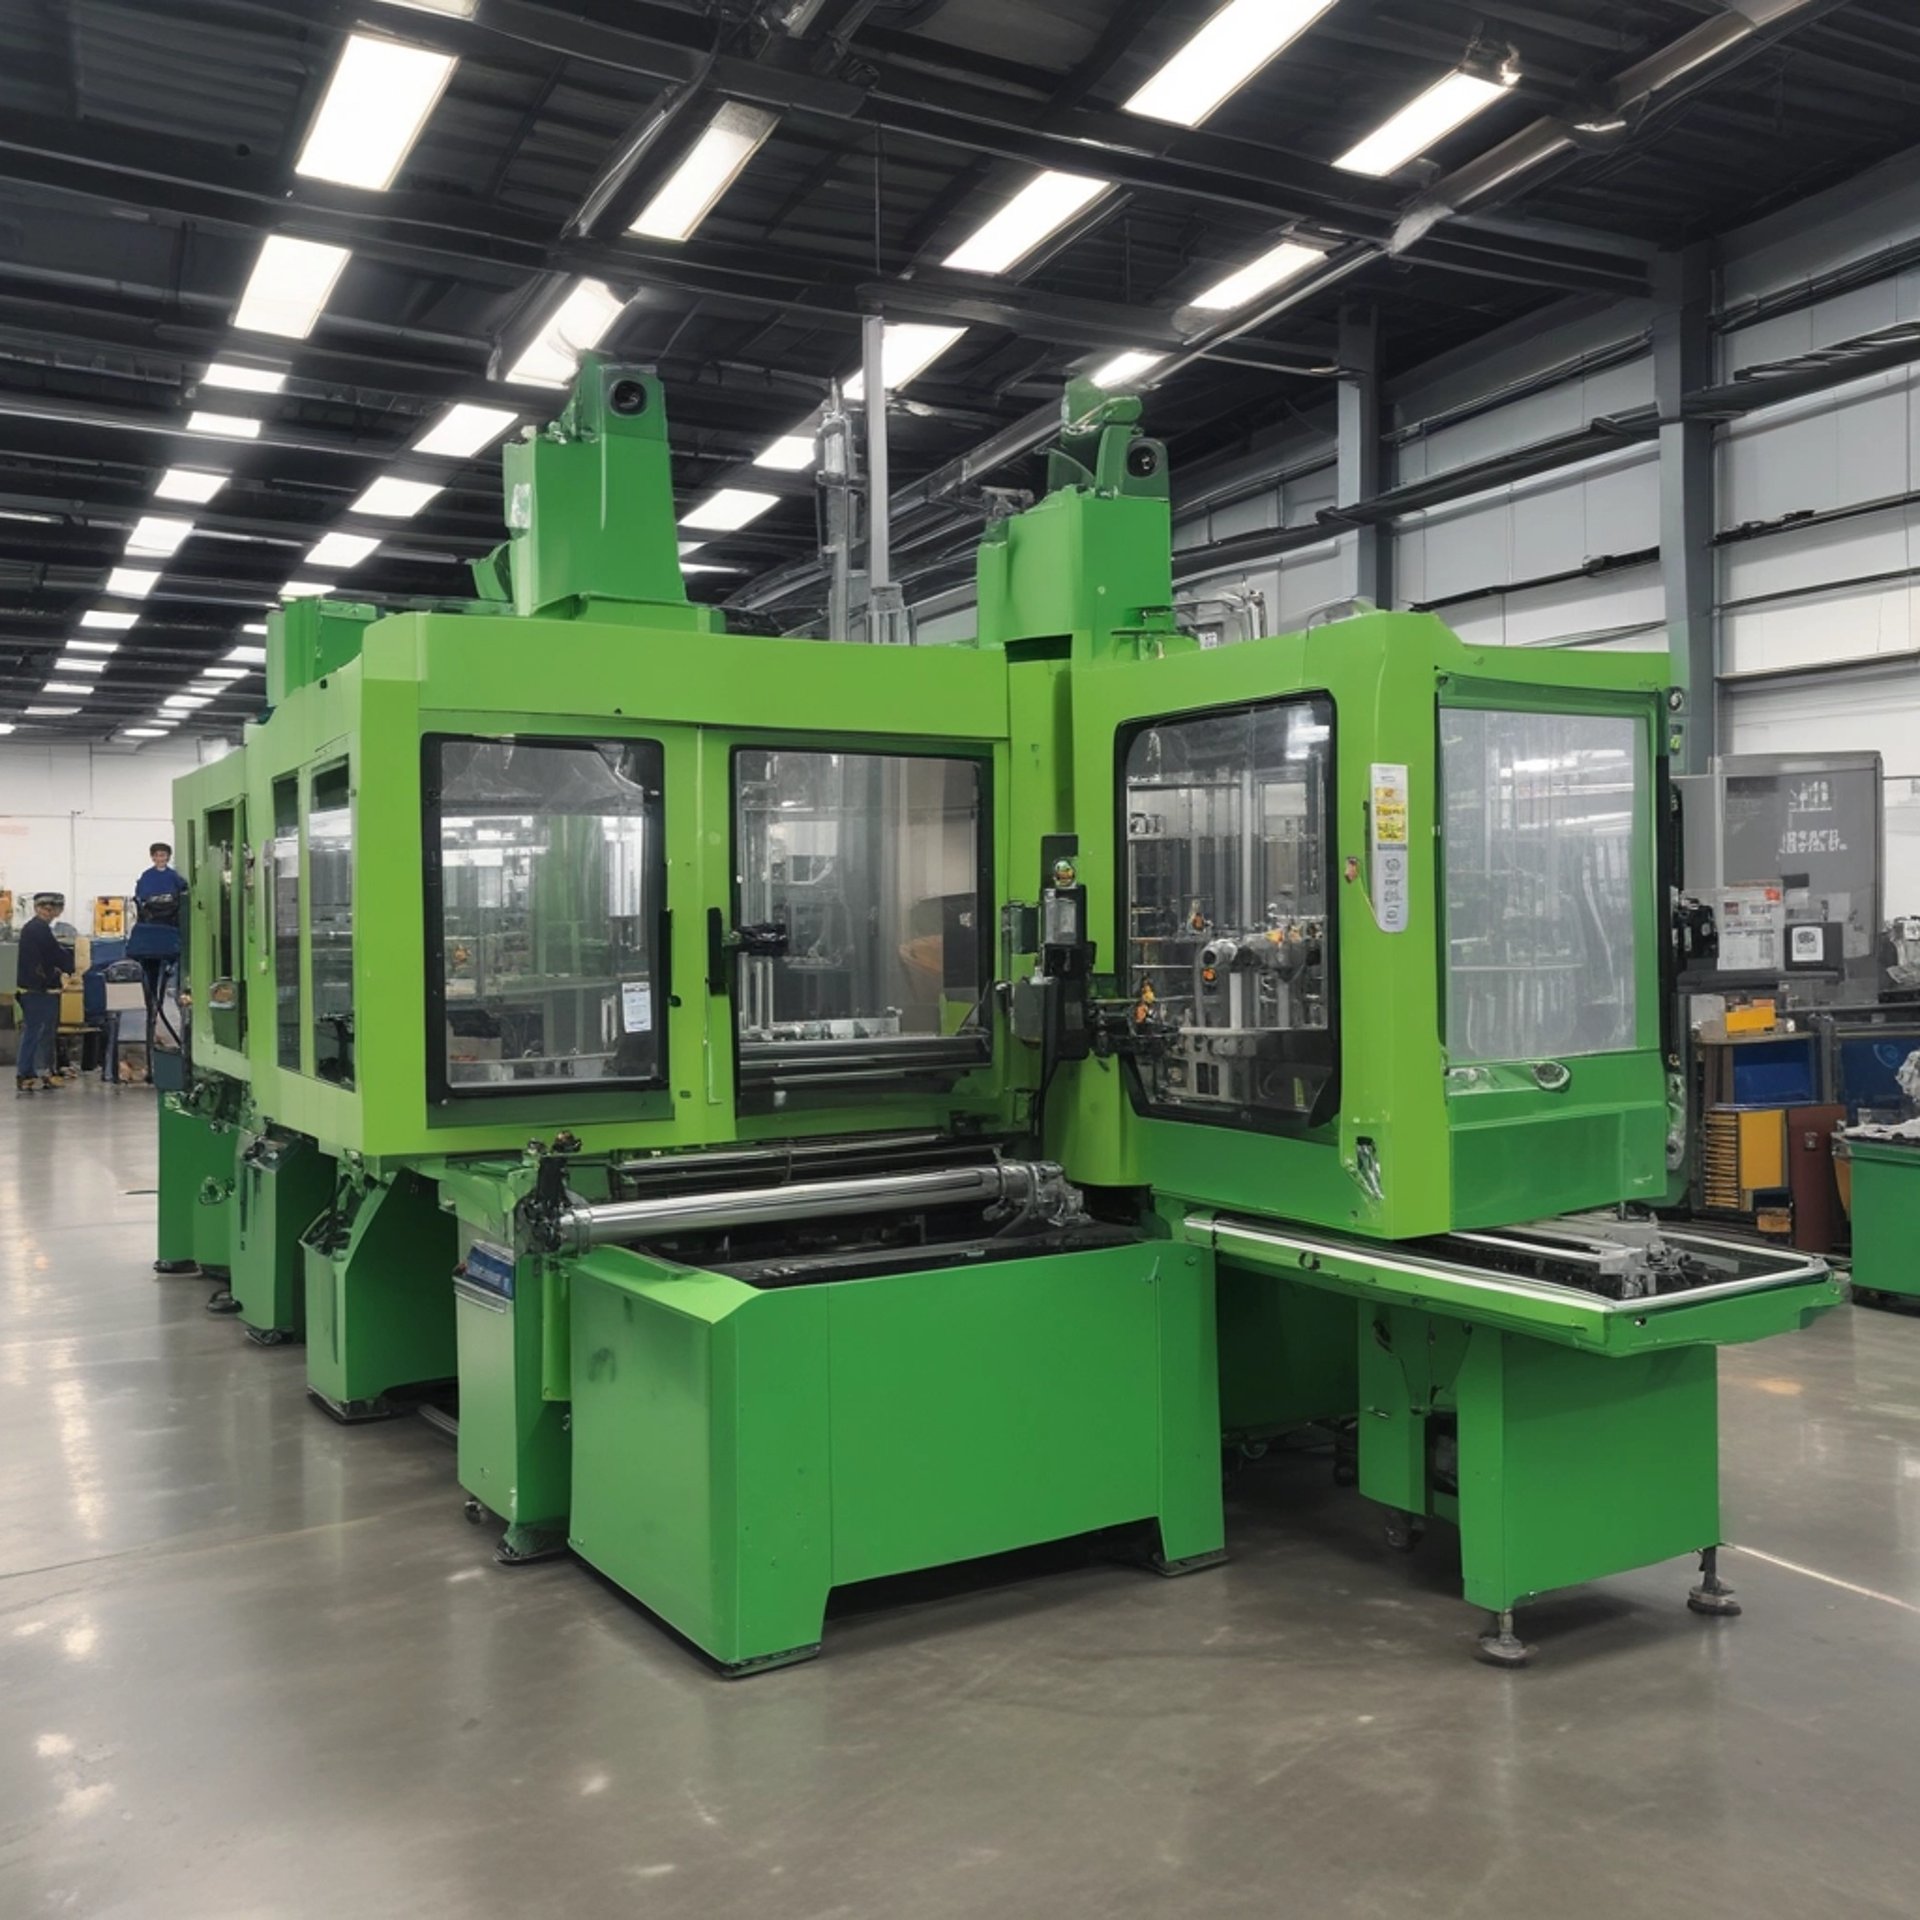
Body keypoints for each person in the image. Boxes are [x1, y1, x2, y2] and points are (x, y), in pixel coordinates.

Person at [16, 891, 74, 1093]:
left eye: (53, 909)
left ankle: (41, 1072)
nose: (50, 912)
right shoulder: (37, 930)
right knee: (36, 1031)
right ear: (37, 908)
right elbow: (54, 955)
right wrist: (65, 968)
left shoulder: (38, 929)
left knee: (43, 1032)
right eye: (46, 908)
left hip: (41, 988)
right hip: (38, 989)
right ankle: (28, 1073)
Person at [127, 840, 186, 1027]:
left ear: (168, 857)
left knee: (168, 974)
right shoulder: (146, 877)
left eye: (163, 855)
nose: (160, 858)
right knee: (150, 977)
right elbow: (140, 899)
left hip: (168, 932)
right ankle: (151, 1008)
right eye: (157, 855)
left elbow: (183, 893)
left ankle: (156, 1008)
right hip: (151, 935)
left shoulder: (174, 877)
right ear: (152, 857)